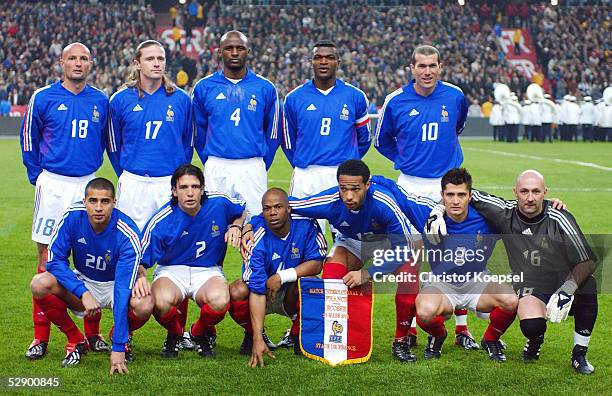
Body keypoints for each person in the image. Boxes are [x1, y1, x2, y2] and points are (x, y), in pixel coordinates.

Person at [426, 170, 598, 374]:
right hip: (532, 283)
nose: (530, 197)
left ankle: (579, 354)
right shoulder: (503, 213)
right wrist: (438, 209)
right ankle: (535, 340)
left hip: (564, 279)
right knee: (532, 326)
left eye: (536, 192)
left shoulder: (558, 217)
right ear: (515, 192)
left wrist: (566, 289)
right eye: (524, 191)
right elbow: (461, 192)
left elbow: (588, 260)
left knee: (588, 285)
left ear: (545, 192)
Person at [374, 44, 475, 351]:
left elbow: (457, 126)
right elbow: (382, 141)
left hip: (447, 187)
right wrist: (405, 158)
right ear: (411, 68)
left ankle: (461, 328)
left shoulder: (455, 96)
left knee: (454, 257)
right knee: (410, 258)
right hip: (410, 188)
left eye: (433, 65)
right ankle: (409, 329)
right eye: (422, 66)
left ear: (440, 66)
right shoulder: (395, 101)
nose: (427, 71)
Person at [20, 42, 109, 359]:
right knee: (45, 259)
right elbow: (28, 138)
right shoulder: (42, 97)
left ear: (91, 63)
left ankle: (93, 335)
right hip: (54, 184)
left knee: (90, 254)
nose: (78, 63)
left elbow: (103, 142)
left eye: (84, 58)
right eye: (72, 57)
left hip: (86, 185)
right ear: (61, 62)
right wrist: (38, 176)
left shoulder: (101, 100)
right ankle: (40, 337)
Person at [373, 169, 517, 362]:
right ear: (442, 195)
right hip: (441, 284)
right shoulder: (426, 213)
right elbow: (397, 192)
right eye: (450, 195)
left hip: (478, 281)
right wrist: (367, 178)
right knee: (424, 312)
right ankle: (439, 336)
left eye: (461, 195)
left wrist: (552, 207)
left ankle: (490, 340)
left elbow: (522, 212)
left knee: (510, 301)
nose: (455, 201)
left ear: (470, 196)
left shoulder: (487, 218)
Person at [108, 40, 195, 349]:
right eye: (150, 58)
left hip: (166, 185)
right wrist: (129, 172)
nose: (157, 63)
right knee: (128, 255)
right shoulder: (119, 100)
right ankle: (125, 332)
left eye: (161, 58)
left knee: (174, 253)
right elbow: (114, 146)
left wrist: (171, 178)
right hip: (132, 183)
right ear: (137, 63)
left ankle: (178, 332)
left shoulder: (181, 100)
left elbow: (187, 145)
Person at [285, 159, 417, 362]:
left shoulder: (384, 203)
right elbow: (284, 205)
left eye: (355, 189)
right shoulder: (330, 200)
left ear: (367, 184)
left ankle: (401, 340)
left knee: (409, 280)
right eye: (343, 188)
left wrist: (367, 273)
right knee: (330, 278)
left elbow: (404, 249)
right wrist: (248, 225)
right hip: (352, 242)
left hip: (388, 244)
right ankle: (312, 333)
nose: (348, 196)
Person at [29, 178, 151, 371]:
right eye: (93, 201)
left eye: (105, 201)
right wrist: (83, 292)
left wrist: (118, 347)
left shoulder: (127, 232)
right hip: (85, 281)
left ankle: (119, 336)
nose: (99, 207)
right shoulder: (72, 218)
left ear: (114, 203)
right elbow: (54, 261)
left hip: (114, 284)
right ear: (84, 201)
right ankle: (75, 338)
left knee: (145, 305)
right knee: (39, 283)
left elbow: (122, 288)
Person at [140, 164, 247, 358]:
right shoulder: (162, 219)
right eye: (183, 187)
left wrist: (236, 226)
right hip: (171, 271)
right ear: (174, 191)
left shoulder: (219, 203)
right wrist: (140, 276)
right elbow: (141, 258)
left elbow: (241, 210)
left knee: (221, 301)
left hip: (207, 270)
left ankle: (198, 333)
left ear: (202, 188)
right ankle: (176, 333)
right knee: (160, 302)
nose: (190, 193)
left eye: (195, 187)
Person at [229, 188, 327, 366]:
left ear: (289, 208)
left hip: (289, 290)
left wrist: (281, 276)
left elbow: (317, 263)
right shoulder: (254, 238)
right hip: (263, 293)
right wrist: (258, 338)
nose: (272, 212)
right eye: (267, 208)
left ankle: (298, 335)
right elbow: (257, 290)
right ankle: (253, 334)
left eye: (278, 207)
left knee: (314, 285)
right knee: (236, 291)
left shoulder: (306, 224)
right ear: (262, 211)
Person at [282, 40, 371, 233]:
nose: (324, 62)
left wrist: (348, 164)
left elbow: (364, 138)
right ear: (310, 62)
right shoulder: (294, 98)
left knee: (349, 238)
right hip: (307, 176)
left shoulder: (355, 96)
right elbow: (288, 141)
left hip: (343, 176)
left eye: (329, 58)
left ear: (338, 62)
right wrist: (303, 161)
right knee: (302, 236)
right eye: (318, 58)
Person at [192, 30, 279, 218]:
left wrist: (261, 163)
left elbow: (272, 133)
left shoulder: (265, 88)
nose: (234, 52)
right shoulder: (203, 87)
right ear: (219, 52)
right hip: (217, 165)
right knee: (214, 228)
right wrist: (210, 160)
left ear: (248, 51)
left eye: (239, 48)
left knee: (255, 226)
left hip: (252, 165)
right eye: (228, 48)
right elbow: (198, 132)